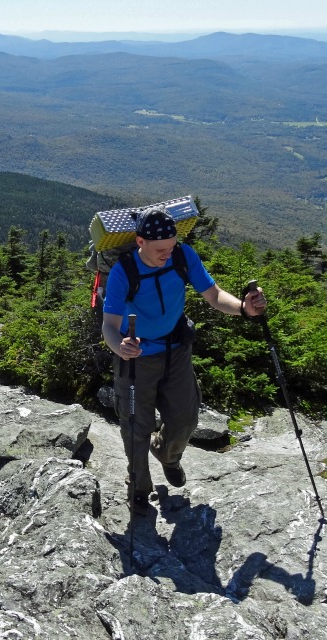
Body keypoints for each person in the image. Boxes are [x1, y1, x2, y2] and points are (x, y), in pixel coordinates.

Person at [101, 207, 267, 516]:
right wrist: (119, 347)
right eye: (160, 249)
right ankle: (138, 487)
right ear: (140, 242)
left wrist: (244, 309)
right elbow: (109, 325)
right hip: (136, 359)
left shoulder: (182, 256)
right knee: (136, 426)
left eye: (172, 246)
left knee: (186, 419)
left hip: (176, 349)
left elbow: (214, 295)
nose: (167, 253)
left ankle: (167, 454)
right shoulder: (124, 272)